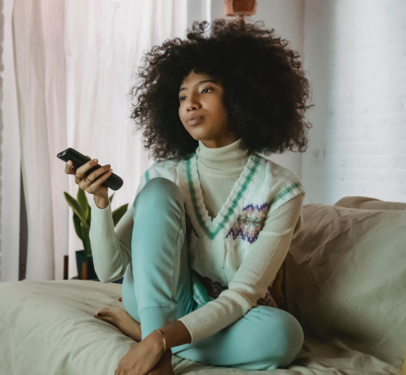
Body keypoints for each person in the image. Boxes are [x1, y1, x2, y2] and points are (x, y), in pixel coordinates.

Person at [64, 18, 312, 375]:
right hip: (158, 301)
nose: (190, 103)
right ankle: (156, 337)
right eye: (182, 96)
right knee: (158, 192)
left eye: (206, 90)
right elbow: (110, 271)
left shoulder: (281, 189)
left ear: (242, 96)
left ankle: (148, 337)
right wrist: (101, 204)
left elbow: (243, 294)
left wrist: (159, 338)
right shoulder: (163, 174)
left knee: (285, 335)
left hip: (222, 313)